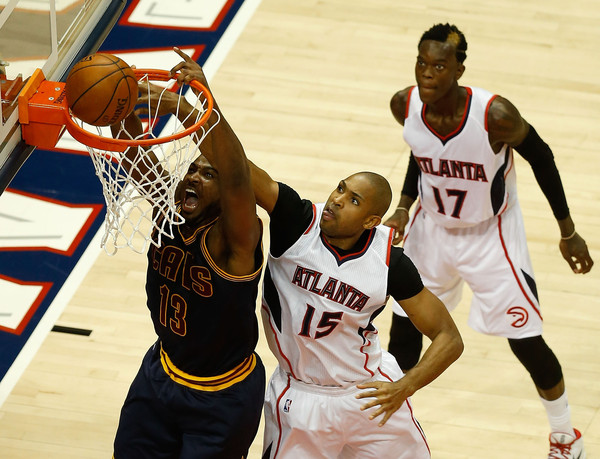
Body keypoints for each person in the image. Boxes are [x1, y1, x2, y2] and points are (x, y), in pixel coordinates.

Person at [148, 50, 463, 458]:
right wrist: (198, 106)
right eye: (340, 188)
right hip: (300, 400)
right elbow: (237, 167)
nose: (336, 199)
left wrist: (406, 385)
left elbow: (448, 338)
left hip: (368, 394)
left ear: (371, 221)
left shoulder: (390, 263)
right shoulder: (295, 220)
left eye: (352, 200)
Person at [384, 23, 594, 459]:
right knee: (404, 331)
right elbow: (422, 153)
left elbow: (543, 158)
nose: (427, 73)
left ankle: (564, 437)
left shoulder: (495, 115)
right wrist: (404, 205)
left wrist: (568, 231)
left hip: (490, 234)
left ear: (459, 69)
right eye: (421, 63)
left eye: (438, 66)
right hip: (431, 230)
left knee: (526, 339)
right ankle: (384, 435)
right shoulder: (405, 104)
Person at [110, 48, 266, 458]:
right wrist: (117, 100)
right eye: (192, 170)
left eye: (207, 174)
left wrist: (183, 106)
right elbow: (131, 148)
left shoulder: (236, 240)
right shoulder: (171, 212)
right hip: (161, 372)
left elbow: (237, 173)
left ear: (226, 194)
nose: (193, 176)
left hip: (222, 396)